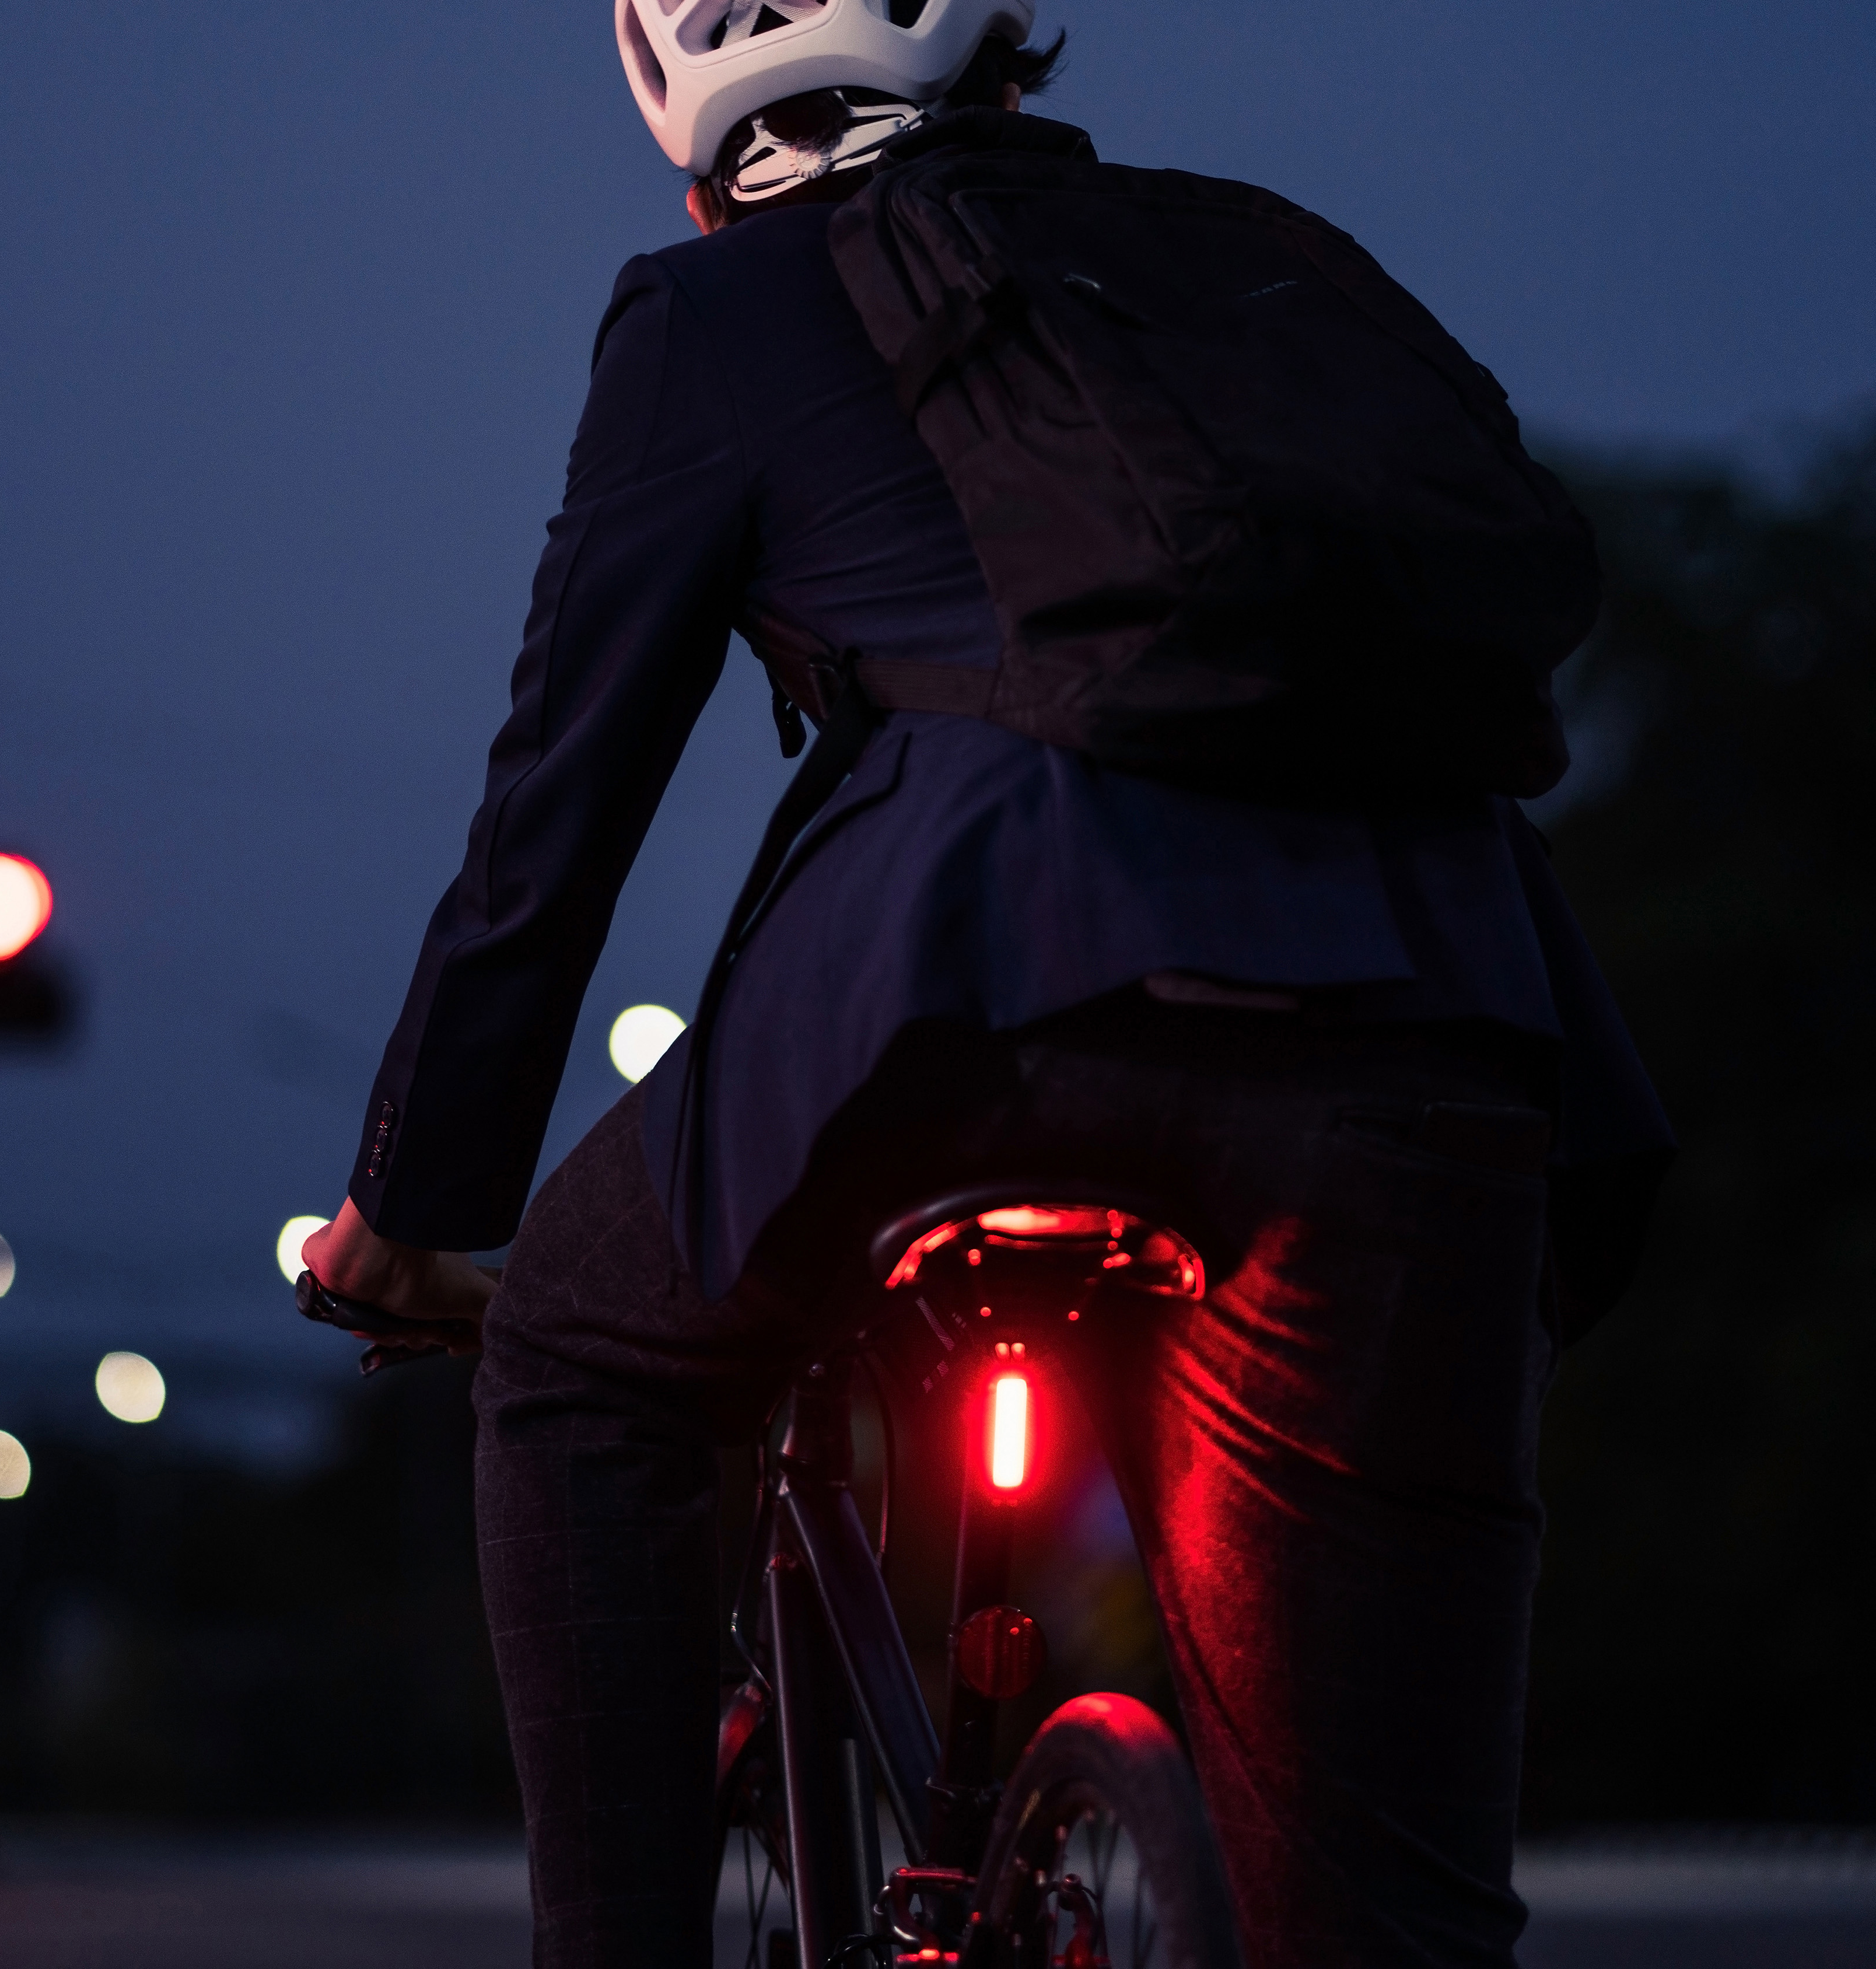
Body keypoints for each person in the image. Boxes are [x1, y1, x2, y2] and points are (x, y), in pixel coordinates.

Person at [301, 6, 1670, 1963]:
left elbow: (559, 812)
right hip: (1432, 1005)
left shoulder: (720, 310)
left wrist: (419, 1216)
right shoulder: (1257, 248)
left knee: (582, 1361)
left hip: (963, 984)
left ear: (685, 119)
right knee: (1385, 1911)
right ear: (1011, 54)